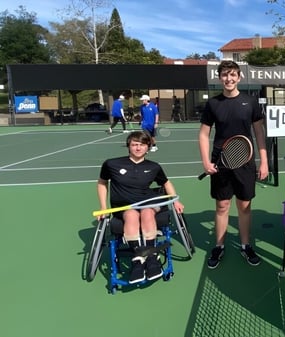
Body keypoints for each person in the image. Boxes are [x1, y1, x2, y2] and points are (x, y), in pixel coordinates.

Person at [198, 60, 269, 269]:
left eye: (232, 75)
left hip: (245, 161)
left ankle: (246, 245)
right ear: (219, 78)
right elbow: (203, 134)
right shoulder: (213, 104)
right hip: (220, 162)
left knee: (245, 206)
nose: (229, 79)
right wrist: (206, 161)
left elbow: (258, 133)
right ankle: (219, 246)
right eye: (224, 75)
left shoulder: (251, 102)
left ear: (239, 77)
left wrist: (264, 161)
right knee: (222, 205)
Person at [96, 131, 184, 284]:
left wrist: (175, 200)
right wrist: (103, 207)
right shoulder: (112, 164)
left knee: (147, 213)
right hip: (124, 206)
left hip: (148, 202)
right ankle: (138, 258)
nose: (138, 148)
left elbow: (166, 183)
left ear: (148, 147)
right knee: (131, 215)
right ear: (128, 146)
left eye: (142, 145)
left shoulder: (154, 167)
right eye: (134, 144)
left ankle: (150, 257)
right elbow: (102, 183)